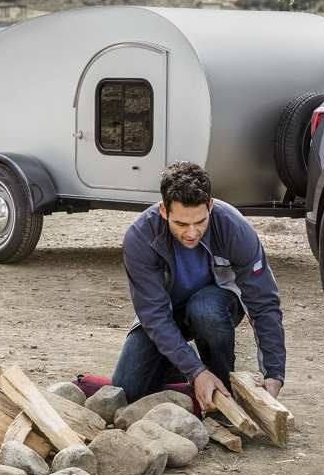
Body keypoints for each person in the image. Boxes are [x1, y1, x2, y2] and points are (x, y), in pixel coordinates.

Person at [113, 162, 286, 411]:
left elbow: (263, 302)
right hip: (167, 312)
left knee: (205, 309)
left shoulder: (234, 228)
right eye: (181, 224)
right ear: (163, 210)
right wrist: (195, 371)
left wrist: (273, 371)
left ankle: (224, 396)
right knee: (128, 389)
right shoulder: (140, 237)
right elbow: (155, 316)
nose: (192, 233)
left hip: (217, 305)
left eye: (200, 222)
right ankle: (188, 372)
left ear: (210, 206)